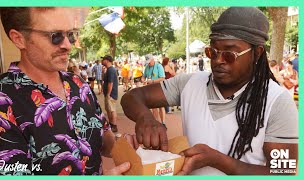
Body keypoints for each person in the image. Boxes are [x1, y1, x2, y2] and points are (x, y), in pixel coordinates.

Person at [121, 7, 298, 175]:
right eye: (212, 52)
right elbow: (132, 97)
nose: (218, 60)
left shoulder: (277, 102)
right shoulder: (189, 83)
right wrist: (145, 117)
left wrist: (218, 161)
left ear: (257, 53)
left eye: (229, 54)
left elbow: (283, 171)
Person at [0, 7, 135, 175]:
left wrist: (124, 144)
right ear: (19, 39)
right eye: (55, 36)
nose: (67, 45)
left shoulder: (78, 84)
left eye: (71, 34)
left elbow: (104, 140)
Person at [141, 54, 166, 127]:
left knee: (161, 106)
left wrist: (152, 81)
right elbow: (143, 76)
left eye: (149, 62)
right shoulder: (147, 67)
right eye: (147, 62)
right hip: (150, 90)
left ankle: (163, 123)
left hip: (159, 89)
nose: (148, 63)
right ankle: (156, 123)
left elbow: (162, 78)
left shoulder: (159, 66)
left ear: (153, 59)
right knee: (154, 107)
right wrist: (143, 79)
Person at [101, 55, 119, 133]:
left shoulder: (111, 70)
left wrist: (108, 94)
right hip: (109, 94)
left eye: (103, 59)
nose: (102, 61)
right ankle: (112, 124)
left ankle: (113, 125)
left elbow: (110, 83)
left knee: (112, 110)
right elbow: (105, 81)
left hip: (111, 94)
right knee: (109, 109)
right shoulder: (109, 70)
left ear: (107, 61)